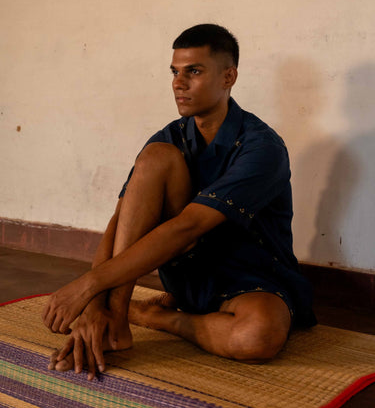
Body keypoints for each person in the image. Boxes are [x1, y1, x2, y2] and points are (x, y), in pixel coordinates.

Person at [43, 24, 316, 381]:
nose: (178, 83)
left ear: (228, 76)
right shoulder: (169, 138)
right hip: (188, 273)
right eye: (175, 72)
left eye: (194, 71)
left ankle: (160, 317)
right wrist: (97, 309)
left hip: (250, 276)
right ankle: (117, 321)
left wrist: (88, 284)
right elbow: (120, 220)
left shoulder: (262, 147)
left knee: (257, 338)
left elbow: (188, 227)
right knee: (156, 157)